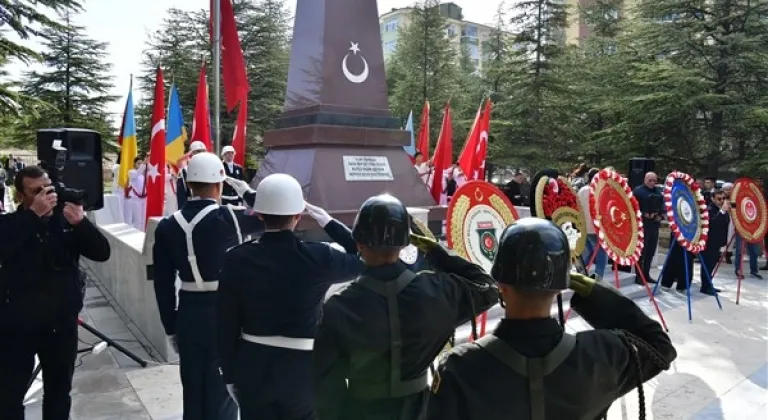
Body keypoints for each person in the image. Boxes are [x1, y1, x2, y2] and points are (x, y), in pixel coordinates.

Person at [427, 218, 677, 420]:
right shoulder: (602, 354)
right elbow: (659, 347)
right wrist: (596, 294)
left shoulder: (461, 367)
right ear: (561, 288)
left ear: (500, 285)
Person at [313, 194, 499, 420]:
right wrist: (436, 250)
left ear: (359, 244)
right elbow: (487, 287)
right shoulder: (438, 291)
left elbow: (324, 387)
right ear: (404, 244)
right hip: (421, 410)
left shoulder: (338, 307)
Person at [216, 173, 364, 420]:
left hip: (253, 367)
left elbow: (225, 323)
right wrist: (328, 222)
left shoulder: (237, 259)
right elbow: (361, 258)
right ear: (298, 215)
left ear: (259, 215)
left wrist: (229, 375)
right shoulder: (319, 258)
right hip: (302, 370)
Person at [152, 153, 263, 420]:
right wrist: (247, 191)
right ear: (219, 185)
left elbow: (162, 282)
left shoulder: (168, 226)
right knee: (222, 393)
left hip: (188, 314)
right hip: (223, 312)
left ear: (189, 185)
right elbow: (268, 216)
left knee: (193, 390)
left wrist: (170, 326)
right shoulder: (227, 217)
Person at [0, 166, 111, 420]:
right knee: (9, 397)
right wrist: (33, 217)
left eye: (47, 189)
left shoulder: (65, 222)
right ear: (20, 196)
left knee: (59, 394)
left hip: (60, 326)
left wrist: (81, 224)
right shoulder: (11, 223)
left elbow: (102, 252)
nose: (44, 196)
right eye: (35, 191)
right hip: (18, 328)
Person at [632, 172, 662, 285]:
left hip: (654, 225)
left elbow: (662, 204)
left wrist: (660, 215)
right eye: (650, 180)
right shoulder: (638, 191)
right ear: (645, 179)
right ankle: (638, 276)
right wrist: (643, 214)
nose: (653, 183)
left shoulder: (658, 191)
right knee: (642, 253)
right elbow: (633, 207)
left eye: (655, 180)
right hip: (642, 225)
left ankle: (646, 274)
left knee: (650, 252)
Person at [577, 168, 606, 278]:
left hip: (584, 228)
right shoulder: (598, 191)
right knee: (601, 257)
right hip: (596, 229)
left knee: (587, 253)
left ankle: (580, 276)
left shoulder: (582, 190)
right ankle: (599, 280)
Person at [699, 189, 729, 295]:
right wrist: (722, 211)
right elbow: (713, 223)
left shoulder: (721, 210)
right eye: (719, 199)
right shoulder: (709, 209)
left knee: (712, 265)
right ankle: (705, 286)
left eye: (723, 198)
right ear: (713, 199)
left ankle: (709, 284)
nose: (722, 201)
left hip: (717, 242)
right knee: (707, 265)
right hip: (709, 243)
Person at [177, 141, 209, 209]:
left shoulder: (209, 169)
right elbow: (181, 196)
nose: (201, 154)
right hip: (191, 207)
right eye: (198, 151)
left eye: (203, 151)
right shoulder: (185, 171)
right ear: (192, 154)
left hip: (206, 207)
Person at [125, 156, 147, 230]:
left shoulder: (142, 175)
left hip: (143, 198)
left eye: (141, 163)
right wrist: (144, 163)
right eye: (138, 163)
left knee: (143, 219)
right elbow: (137, 174)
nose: (140, 165)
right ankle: (137, 234)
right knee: (137, 219)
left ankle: (142, 233)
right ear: (134, 164)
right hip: (135, 199)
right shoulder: (131, 172)